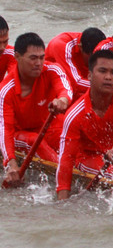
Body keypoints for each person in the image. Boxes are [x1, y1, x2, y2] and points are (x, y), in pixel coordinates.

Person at [56, 49, 113, 199]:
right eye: (102, 71)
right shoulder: (75, 114)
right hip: (90, 157)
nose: (108, 77)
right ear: (89, 75)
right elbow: (66, 158)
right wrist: (63, 200)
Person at [1, 33, 72, 185]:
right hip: (19, 133)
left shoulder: (52, 69)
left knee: (70, 132)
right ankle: (65, 175)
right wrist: (11, 164)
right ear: (17, 57)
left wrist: (62, 101)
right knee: (33, 140)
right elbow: (5, 130)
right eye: (33, 58)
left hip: (46, 124)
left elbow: (65, 89)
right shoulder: (6, 90)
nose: (39, 63)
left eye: (41, 57)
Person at [44, 27, 106, 100]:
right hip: (52, 89)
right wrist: (106, 86)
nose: (95, 61)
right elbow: (76, 84)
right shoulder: (62, 45)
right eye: (92, 57)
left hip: (78, 83)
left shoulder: (103, 46)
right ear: (80, 47)